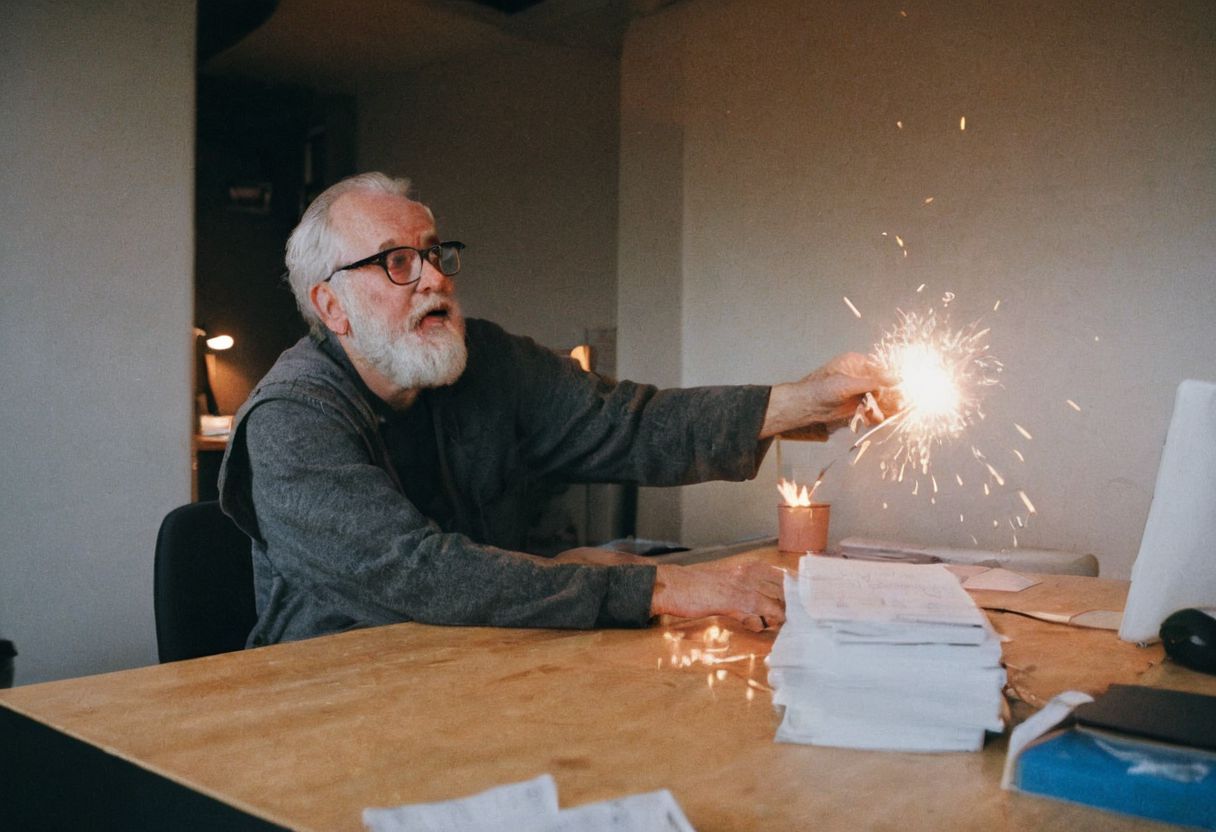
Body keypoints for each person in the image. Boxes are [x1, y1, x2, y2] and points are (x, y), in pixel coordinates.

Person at [219, 172, 897, 647]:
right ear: (331, 306)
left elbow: (630, 423)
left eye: (434, 253)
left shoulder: (483, 359)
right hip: (330, 697)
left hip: (484, 661)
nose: (434, 278)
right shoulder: (291, 419)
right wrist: (663, 588)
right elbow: (420, 575)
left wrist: (801, 403)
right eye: (396, 262)